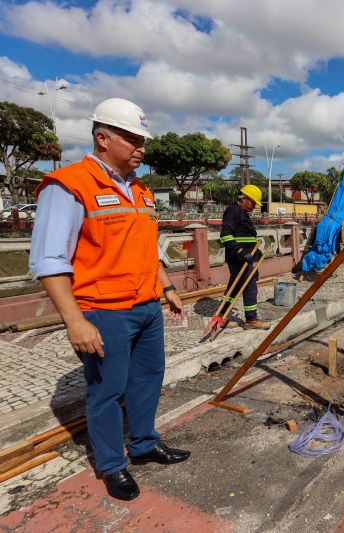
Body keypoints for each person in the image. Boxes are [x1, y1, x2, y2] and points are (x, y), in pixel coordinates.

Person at [29, 98, 190, 501]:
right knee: (106, 391)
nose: (142, 148)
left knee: (148, 381)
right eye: (133, 139)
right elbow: (49, 260)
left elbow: (147, 250)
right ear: (103, 138)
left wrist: (167, 288)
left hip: (147, 306)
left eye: (143, 140)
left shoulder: (141, 191)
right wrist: (75, 321)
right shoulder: (69, 186)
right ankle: (112, 464)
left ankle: (144, 444)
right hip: (104, 311)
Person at [219, 185, 271, 329]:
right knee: (250, 286)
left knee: (233, 288)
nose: (254, 206)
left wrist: (256, 253)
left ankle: (221, 316)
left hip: (245, 257)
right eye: (253, 202)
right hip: (238, 258)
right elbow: (225, 235)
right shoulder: (233, 211)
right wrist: (241, 251)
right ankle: (251, 319)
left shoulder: (242, 212)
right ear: (244, 199)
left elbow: (245, 236)